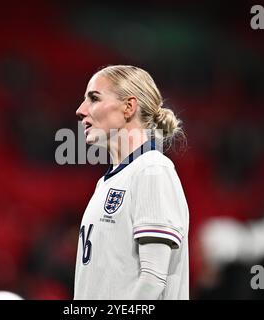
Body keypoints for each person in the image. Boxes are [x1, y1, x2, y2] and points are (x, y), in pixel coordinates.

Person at [73, 65, 189, 299]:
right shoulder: (110, 181)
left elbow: (153, 280)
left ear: (129, 107)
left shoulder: (153, 170)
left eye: (94, 98)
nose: (80, 110)